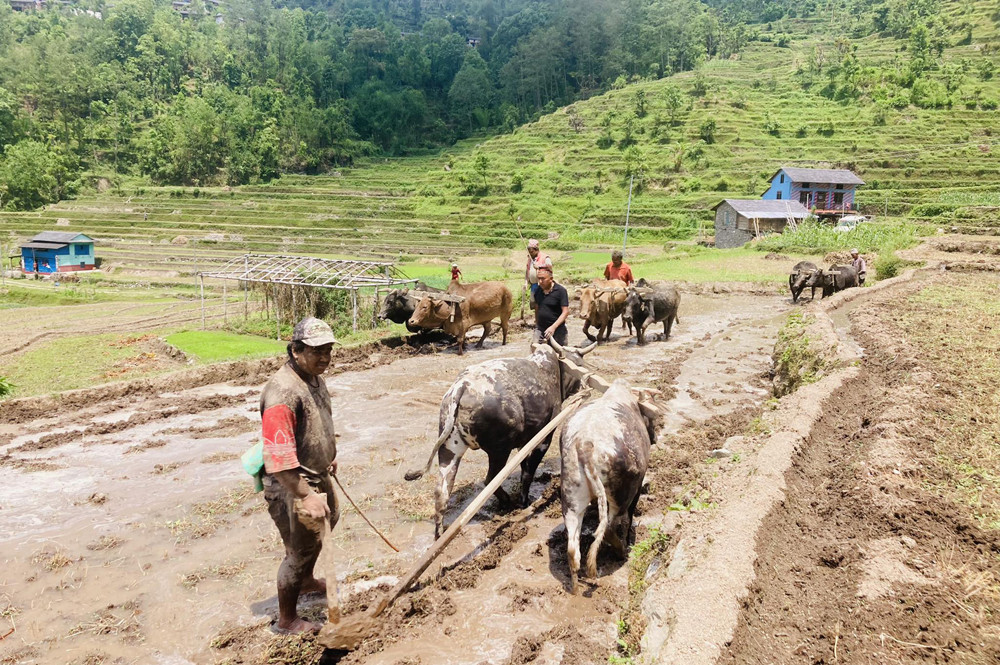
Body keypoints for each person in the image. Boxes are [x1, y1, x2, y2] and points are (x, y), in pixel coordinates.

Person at [259, 317, 340, 635]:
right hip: (291, 486)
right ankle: (287, 619)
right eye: (317, 351)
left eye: (329, 351)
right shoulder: (282, 393)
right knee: (299, 550)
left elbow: (318, 420)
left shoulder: (314, 377)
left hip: (316, 475)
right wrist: (305, 494)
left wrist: (329, 453)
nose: (325, 358)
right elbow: (278, 462)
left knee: (326, 526)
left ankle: (306, 581)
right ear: (295, 350)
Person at [533, 266, 569, 346]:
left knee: (559, 354)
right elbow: (537, 307)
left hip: (557, 329)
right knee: (534, 348)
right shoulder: (538, 290)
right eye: (538, 279)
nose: (540, 281)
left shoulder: (560, 291)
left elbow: (565, 312)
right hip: (541, 328)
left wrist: (553, 327)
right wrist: (537, 324)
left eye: (543, 279)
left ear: (551, 279)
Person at [524, 239, 552, 310]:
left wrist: (539, 266)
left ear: (536, 250)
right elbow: (527, 271)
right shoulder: (530, 258)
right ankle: (537, 319)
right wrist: (526, 282)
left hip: (543, 285)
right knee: (534, 303)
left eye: (532, 251)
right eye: (529, 251)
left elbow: (550, 266)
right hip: (534, 285)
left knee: (543, 302)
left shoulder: (545, 257)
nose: (530, 253)